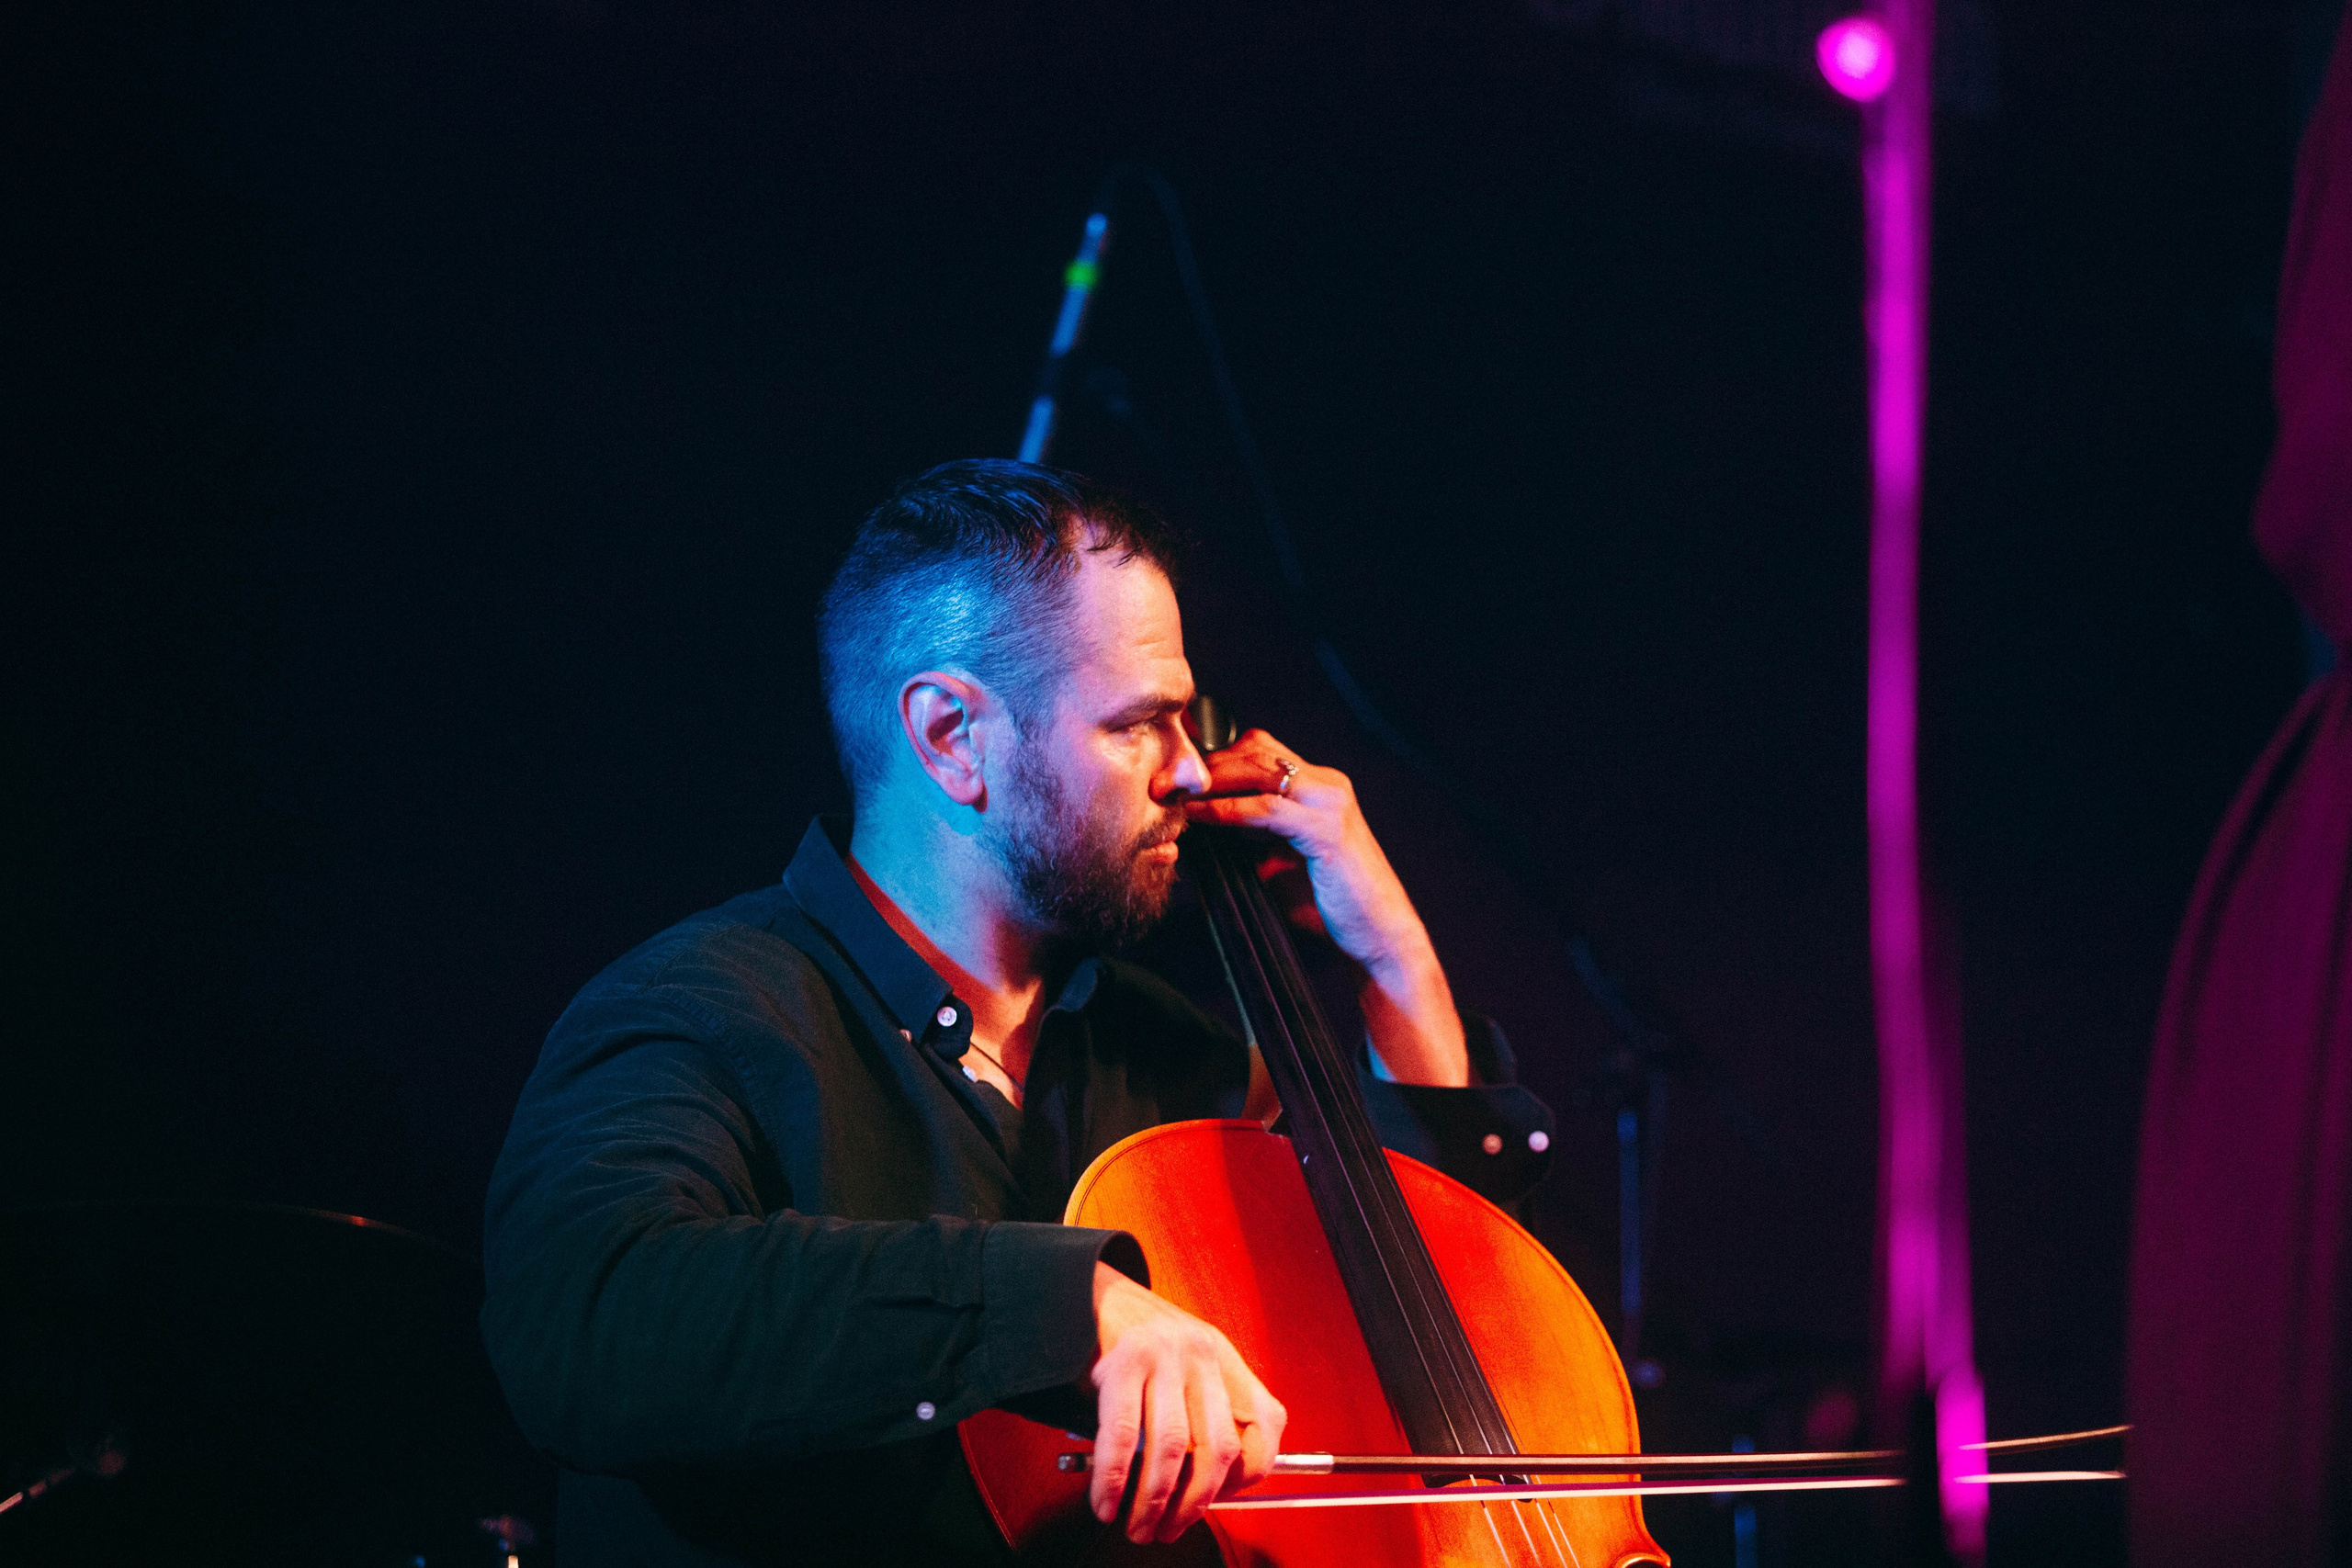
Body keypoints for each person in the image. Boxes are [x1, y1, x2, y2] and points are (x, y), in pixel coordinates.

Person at [481, 460, 1556, 1565]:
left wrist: (1391, 958)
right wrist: (1070, 1304)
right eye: (1139, 725)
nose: (1191, 771)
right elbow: (587, 1320)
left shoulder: (1160, 1056)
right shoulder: (705, 1009)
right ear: (950, 736)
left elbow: (1424, 1314)